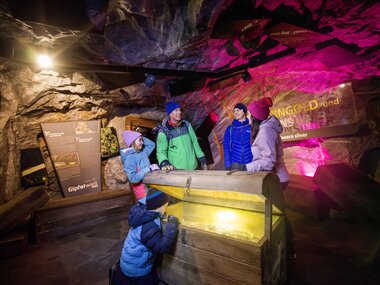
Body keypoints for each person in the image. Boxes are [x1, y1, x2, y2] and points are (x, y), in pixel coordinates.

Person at [243, 97, 295, 258]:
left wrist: (246, 167)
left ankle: (287, 251)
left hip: (276, 179)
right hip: (274, 177)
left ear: (256, 116)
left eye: (250, 114)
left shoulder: (265, 131)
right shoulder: (264, 128)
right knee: (276, 214)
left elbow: (269, 160)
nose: (248, 117)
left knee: (276, 216)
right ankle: (287, 250)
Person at [119, 188, 179, 285]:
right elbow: (160, 247)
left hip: (129, 263)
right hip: (137, 271)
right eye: (165, 206)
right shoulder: (148, 226)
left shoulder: (143, 213)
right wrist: (171, 226)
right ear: (160, 207)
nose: (166, 209)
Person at [156, 101, 207, 170]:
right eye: (176, 110)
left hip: (194, 167)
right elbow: (161, 151)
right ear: (170, 113)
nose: (179, 112)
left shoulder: (186, 125)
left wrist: (201, 156)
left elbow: (194, 142)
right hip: (178, 171)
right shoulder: (164, 131)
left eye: (179, 110)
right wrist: (164, 161)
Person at [120, 130, 160, 204]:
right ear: (133, 142)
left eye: (142, 140)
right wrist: (149, 169)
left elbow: (152, 145)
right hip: (143, 194)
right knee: (149, 213)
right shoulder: (129, 158)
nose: (142, 142)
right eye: (140, 140)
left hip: (151, 188)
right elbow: (133, 178)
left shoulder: (142, 151)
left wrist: (139, 136)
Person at [223, 103, 253, 170]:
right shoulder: (230, 129)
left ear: (244, 111)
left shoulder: (251, 128)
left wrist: (254, 164)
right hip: (235, 167)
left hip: (250, 166)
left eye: (238, 110)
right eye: (234, 111)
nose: (235, 113)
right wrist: (228, 166)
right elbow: (226, 148)